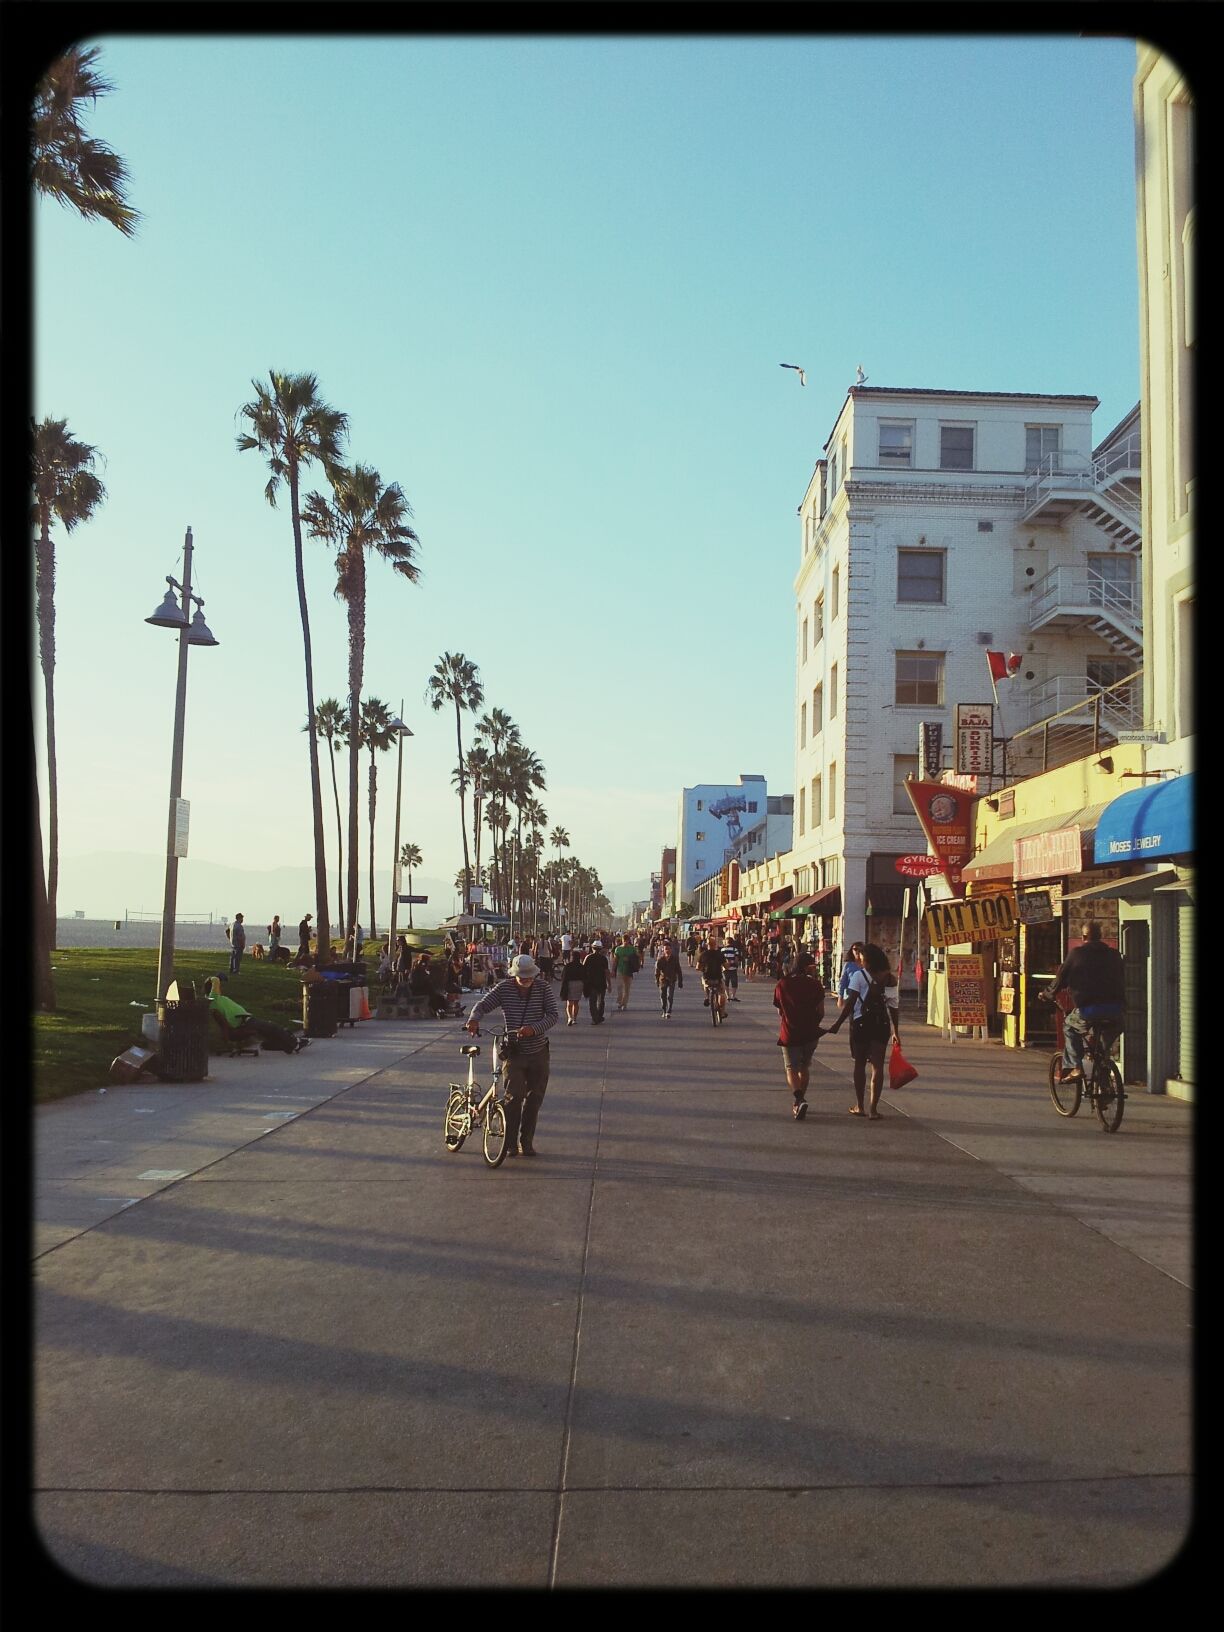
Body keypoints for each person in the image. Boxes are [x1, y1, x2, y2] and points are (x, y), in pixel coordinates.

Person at [466, 953, 559, 1157]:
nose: (525, 980)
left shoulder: (543, 988)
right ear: (514, 975)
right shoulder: (504, 988)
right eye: (521, 977)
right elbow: (482, 1005)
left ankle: (526, 1142)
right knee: (513, 1098)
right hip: (514, 1053)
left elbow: (553, 1015)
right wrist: (474, 1019)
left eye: (529, 976)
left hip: (538, 1052)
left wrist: (534, 1029)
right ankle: (509, 1144)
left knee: (534, 1099)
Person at [822, 941, 899, 1119]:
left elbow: (850, 1004)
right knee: (878, 1067)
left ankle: (860, 1105)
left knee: (859, 1064)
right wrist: (896, 1031)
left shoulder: (859, 976)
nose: (860, 962)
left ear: (869, 960)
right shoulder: (889, 978)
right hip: (881, 1024)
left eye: (863, 959)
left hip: (861, 1023)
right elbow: (894, 1007)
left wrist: (838, 1024)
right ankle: (873, 1109)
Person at [1049, 920, 1125, 1082]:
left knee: (1069, 1026)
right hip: (1116, 1010)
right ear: (1100, 937)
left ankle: (1076, 1067)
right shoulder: (1114, 955)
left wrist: (1048, 993)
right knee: (1105, 1042)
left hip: (1088, 1010)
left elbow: (1060, 979)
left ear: (1084, 936)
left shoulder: (1077, 954)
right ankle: (1103, 1071)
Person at [773, 952, 826, 1119]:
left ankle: (799, 1099)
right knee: (804, 1067)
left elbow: (779, 1009)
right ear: (806, 966)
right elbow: (821, 1011)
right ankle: (800, 1100)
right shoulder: (816, 985)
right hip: (811, 1033)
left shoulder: (783, 984)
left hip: (790, 1032)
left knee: (791, 1068)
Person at [207, 976, 310, 1053]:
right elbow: (215, 981)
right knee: (273, 1027)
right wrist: (214, 978)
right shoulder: (213, 998)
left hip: (244, 1020)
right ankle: (295, 1044)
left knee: (269, 1030)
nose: (220, 988)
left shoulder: (214, 1000)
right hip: (243, 1022)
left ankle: (287, 1044)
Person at [409, 951, 451, 1017]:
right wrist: (426, 978)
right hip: (418, 990)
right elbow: (416, 982)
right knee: (433, 997)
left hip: (425, 989)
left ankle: (443, 1010)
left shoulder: (422, 970)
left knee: (440, 997)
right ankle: (438, 1010)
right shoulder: (416, 970)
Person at [698, 937, 728, 1022]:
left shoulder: (703, 954)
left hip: (707, 977)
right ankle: (722, 1011)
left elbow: (698, 967)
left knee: (704, 982)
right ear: (715, 945)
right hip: (718, 977)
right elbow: (726, 966)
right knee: (722, 992)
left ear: (707, 945)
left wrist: (702, 969)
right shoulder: (720, 954)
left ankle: (707, 996)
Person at [583, 940, 611, 1024]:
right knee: (601, 1001)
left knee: (593, 1002)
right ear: (601, 949)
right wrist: (609, 984)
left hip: (591, 983)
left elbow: (583, 969)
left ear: (592, 948)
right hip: (601, 983)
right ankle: (599, 1016)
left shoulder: (588, 957)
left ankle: (595, 1018)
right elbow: (606, 971)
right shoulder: (603, 958)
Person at [655, 938, 683, 1018]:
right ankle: (664, 1010)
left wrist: (680, 981)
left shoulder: (674, 959)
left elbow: (679, 970)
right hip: (663, 980)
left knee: (670, 996)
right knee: (662, 996)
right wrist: (657, 980)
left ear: (671, 949)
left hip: (672, 979)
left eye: (669, 949)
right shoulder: (660, 960)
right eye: (666, 949)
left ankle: (669, 1010)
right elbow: (657, 971)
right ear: (663, 950)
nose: (667, 950)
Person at [559, 946, 586, 1025]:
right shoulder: (581, 966)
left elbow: (563, 976)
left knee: (569, 1003)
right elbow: (585, 976)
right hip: (579, 984)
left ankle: (569, 1017)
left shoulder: (568, 966)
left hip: (570, 984)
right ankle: (574, 1019)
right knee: (576, 1003)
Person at [612, 933, 639, 1011]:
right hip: (620, 970)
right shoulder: (618, 949)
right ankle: (620, 1001)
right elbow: (615, 960)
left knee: (627, 988)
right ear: (622, 941)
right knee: (619, 987)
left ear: (629, 941)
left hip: (628, 970)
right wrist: (613, 970)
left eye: (627, 941)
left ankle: (624, 1004)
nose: (625, 943)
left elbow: (637, 957)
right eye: (624, 941)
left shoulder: (632, 949)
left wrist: (633, 962)